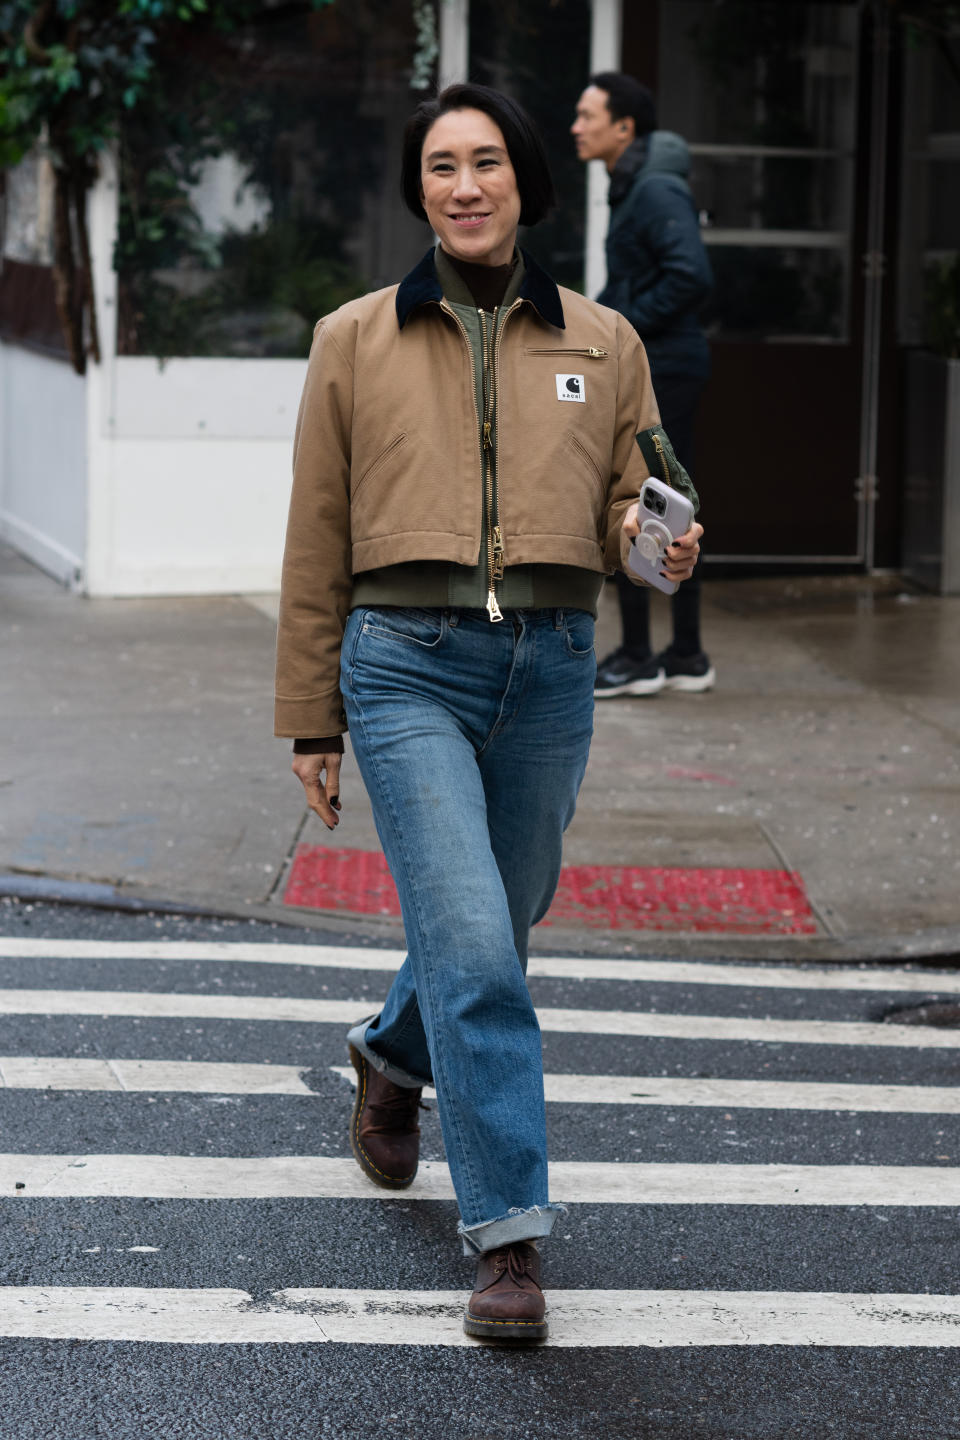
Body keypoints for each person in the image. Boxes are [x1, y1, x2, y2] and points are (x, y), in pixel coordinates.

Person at [275, 83, 702, 1343]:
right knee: (474, 948)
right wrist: (312, 713)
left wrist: (655, 545)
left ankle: (389, 1057)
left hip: (553, 667)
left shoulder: (604, 341)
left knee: (496, 929)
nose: (466, 185)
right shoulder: (352, 339)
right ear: (420, 189)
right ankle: (509, 1234)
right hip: (403, 665)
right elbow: (314, 540)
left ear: (525, 179)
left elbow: (643, 496)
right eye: (442, 166)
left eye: (489, 163)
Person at [572, 71, 715, 697]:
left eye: (588, 115)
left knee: (644, 495)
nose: (576, 127)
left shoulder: (653, 189)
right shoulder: (631, 185)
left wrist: (624, 331)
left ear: (624, 126)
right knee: (668, 497)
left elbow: (692, 277)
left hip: (668, 367)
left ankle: (641, 655)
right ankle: (682, 654)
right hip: (660, 361)